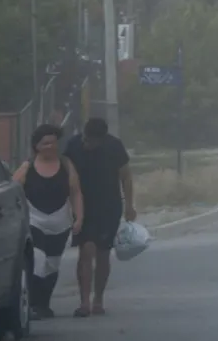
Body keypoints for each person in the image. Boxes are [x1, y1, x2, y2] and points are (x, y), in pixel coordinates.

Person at [64, 117, 136, 317]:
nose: (87, 144)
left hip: (109, 206)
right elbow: (66, 174)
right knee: (86, 251)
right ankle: (84, 301)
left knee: (103, 254)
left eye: (91, 142)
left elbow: (126, 176)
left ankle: (98, 299)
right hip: (83, 207)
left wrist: (130, 205)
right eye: (85, 139)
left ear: (102, 139)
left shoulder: (114, 146)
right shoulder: (73, 145)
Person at [12, 124, 84, 320]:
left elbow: (75, 192)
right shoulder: (27, 166)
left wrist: (79, 217)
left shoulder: (67, 165)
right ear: (36, 146)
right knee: (38, 260)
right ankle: (32, 304)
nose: (50, 146)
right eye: (45, 143)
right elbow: (13, 192)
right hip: (34, 220)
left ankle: (44, 304)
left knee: (52, 265)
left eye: (53, 142)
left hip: (60, 222)